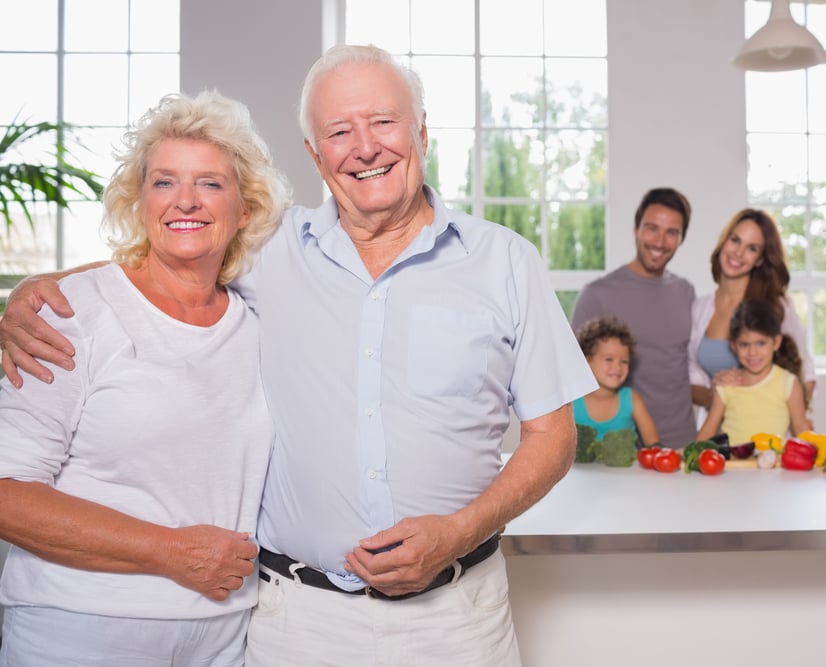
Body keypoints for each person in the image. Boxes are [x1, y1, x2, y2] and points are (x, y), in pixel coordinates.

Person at [0, 45, 596, 667]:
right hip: (296, 622)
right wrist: (40, 292)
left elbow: (553, 436)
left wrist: (460, 530)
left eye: (384, 122)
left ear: (421, 130)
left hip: (457, 618)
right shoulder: (271, 249)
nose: (365, 147)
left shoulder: (505, 261)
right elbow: (172, 253)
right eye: (340, 131)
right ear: (315, 154)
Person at [0, 91, 291, 665]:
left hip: (226, 633)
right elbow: (6, 493)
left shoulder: (261, 320)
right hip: (80, 630)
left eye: (210, 183)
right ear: (139, 202)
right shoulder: (69, 314)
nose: (186, 200)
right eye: (164, 182)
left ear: (246, 208)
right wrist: (169, 552)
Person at [571, 187, 696, 448]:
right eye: (652, 228)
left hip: (680, 440)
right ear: (636, 229)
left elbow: (693, 364)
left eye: (671, 232)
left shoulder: (685, 292)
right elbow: (570, 376)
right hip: (616, 446)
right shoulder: (597, 294)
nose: (660, 242)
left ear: (681, 239)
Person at [688, 208, 816, 413]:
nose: (738, 253)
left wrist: (792, 418)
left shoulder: (776, 306)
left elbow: (805, 372)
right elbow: (692, 374)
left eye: (752, 248)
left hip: (767, 432)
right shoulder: (699, 308)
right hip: (718, 432)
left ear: (760, 260)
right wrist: (714, 394)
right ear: (724, 241)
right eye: (735, 240)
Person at [695, 299, 810, 445]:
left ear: (776, 343)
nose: (752, 353)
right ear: (733, 346)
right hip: (733, 466)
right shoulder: (726, 384)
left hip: (774, 466)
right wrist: (690, 455)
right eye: (744, 344)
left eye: (761, 343)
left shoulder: (788, 382)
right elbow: (708, 429)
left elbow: (801, 429)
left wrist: (819, 455)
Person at [573, 316, 660, 445]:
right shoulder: (571, 400)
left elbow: (654, 446)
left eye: (624, 361)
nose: (617, 367)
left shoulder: (632, 399)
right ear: (587, 360)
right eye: (609, 359)